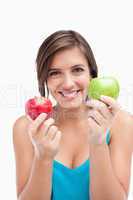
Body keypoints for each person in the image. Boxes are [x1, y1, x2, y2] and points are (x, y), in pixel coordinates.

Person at [13, 30, 133, 200]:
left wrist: (98, 143)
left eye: (77, 70)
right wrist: (43, 157)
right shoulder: (27, 127)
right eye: (54, 73)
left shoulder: (121, 123)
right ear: (44, 79)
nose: (68, 83)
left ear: (91, 74)